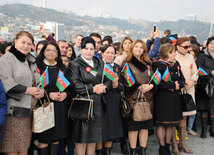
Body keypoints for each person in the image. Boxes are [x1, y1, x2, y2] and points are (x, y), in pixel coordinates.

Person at [0, 31, 44, 155]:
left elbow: (37, 81)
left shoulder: (31, 60)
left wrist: (40, 91)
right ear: (15, 41)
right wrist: (28, 90)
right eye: (23, 42)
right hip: (13, 114)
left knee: (24, 149)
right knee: (12, 149)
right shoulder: (7, 59)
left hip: (29, 113)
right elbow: (6, 83)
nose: (26, 46)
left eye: (29, 44)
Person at [68, 37, 112, 155]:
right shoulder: (74, 64)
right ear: (81, 49)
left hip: (98, 105)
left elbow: (108, 79)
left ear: (95, 50)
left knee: (94, 138)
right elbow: (75, 85)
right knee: (81, 138)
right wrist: (93, 89)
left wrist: (104, 87)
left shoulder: (99, 62)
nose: (88, 51)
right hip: (83, 105)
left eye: (91, 49)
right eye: (85, 48)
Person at [36, 42, 70, 155]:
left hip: (60, 107)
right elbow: (35, 86)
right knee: (44, 139)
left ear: (57, 54)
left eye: (54, 50)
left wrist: (65, 94)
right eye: (48, 50)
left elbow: (69, 87)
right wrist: (49, 94)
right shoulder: (38, 67)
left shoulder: (62, 68)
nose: (51, 52)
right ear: (43, 52)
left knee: (56, 139)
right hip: (44, 107)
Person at [121, 39, 154, 155]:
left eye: (141, 47)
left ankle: (143, 150)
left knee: (145, 127)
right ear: (132, 48)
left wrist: (151, 86)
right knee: (133, 127)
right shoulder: (126, 63)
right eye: (136, 47)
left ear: (144, 50)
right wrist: (139, 87)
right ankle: (133, 151)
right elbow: (126, 80)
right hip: (133, 99)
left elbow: (154, 79)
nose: (139, 49)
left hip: (147, 98)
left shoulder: (149, 64)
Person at [152, 43, 184, 155]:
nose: (175, 53)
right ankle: (162, 147)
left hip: (174, 98)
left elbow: (182, 80)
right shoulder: (157, 65)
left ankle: (167, 145)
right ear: (168, 53)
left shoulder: (176, 64)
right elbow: (156, 83)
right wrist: (172, 86)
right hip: (162, 98)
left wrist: (179, 85)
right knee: (161, 124)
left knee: (171, 124)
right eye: (173, 51)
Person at [95, 44, 123, 155]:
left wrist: (118, 85)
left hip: (113, 100)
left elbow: (122, 85)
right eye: (107, 52)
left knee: (111, 128)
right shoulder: (97, 65)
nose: (110, 55)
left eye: (112, 53)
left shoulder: (117, 67)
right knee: (100, 129)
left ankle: (108, 151)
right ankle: (99, 151)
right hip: (100, 100)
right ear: (102, 53)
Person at [174, 37, 197, 154]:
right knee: (174, 118)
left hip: (189, 90)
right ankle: (174, 145)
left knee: (184, 117)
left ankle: (182, 144)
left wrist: (192, 81)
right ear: (178, 46)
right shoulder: (173, 56)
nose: (188, 49)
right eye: (185, 47)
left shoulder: (190, 57)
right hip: (176, 90)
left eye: (189, 46)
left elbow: (195, 72)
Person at [196, 36, 214, 138]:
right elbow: (198, 68)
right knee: (204, 108)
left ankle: (212, 129)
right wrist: (210, 72)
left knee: (213, 108)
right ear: (207, 45)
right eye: (211, 43)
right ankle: (203, 130)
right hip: (205, 85)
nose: (213, 45)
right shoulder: (202, 55)